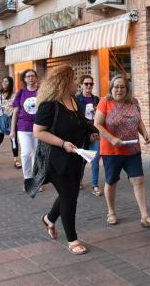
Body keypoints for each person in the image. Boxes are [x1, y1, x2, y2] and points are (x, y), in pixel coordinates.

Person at [34, 65, 98, 255]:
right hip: (56, 159)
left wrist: (91, 132)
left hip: (75, 157)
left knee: (68, 194)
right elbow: (38, 131)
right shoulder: (49, 104)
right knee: (70, 196)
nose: (76, 83)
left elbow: (80, 123)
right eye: (73, 79)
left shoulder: (73, 101)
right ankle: (72, 239)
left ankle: (49, 219)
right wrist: (62, 144)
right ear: (62, 82)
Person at [94, 74, 150, 228]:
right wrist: (112, 139)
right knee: (111, 181)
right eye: (116, 86)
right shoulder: (105, 102)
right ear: (111, 88)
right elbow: (97, 124)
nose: (119, 89)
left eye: (123, 86)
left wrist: (144, 132)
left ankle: (144, 215)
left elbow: (138, 120)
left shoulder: (133, 102)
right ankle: (111, 212)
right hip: (112, 151)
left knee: (138, 180)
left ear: (127, 88)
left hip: (132, 149)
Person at [10, 69, 39, 185]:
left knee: (37, 154)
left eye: (33, 76)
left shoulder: (42, 92)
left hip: (39, 128)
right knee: (26, 153)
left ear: (36, 78)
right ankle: (28, 179)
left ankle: (37, 180)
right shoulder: (21, 93)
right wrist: (12, 130)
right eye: (28, 76)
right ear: (25, 79)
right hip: (23, 127)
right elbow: (15, 112)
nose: (31, 78)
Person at [75, 74, 102, 196]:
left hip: (94, 133)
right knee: (82, 160)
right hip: (82, 135)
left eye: (91, 84)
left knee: (95, 159)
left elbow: (102, 118)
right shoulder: (76, 100)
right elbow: (75, 119)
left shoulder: (97, 100)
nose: (89, 86)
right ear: (81, 85)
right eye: (86, 84)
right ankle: (79, 180)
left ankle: (95, 186)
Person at [0, 76, 20, 167]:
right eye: (3, 81)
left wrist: (12, 106)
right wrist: (2, 106)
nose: (4, 83)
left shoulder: (14, 95)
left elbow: (17, 107)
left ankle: (16, 160)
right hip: (0, 119)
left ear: (10, 83)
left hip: (11, 119)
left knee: (14, 139)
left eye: (6, 81)